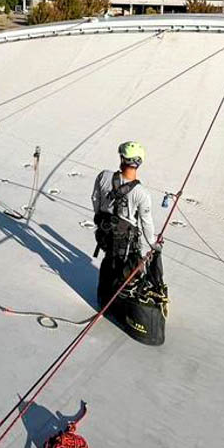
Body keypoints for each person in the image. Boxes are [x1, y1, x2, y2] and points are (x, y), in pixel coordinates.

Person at [90, 141, 168, 344]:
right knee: (126, 270)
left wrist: (100, 216)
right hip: (126, 241)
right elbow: (146, 222)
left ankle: (104, 299)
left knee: (109, 262)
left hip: (105, 234)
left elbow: (95, 198)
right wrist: (153, 244)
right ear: (139, 163)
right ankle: (117, 306)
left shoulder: (104, 176)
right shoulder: (141, 194)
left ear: (121, 158)